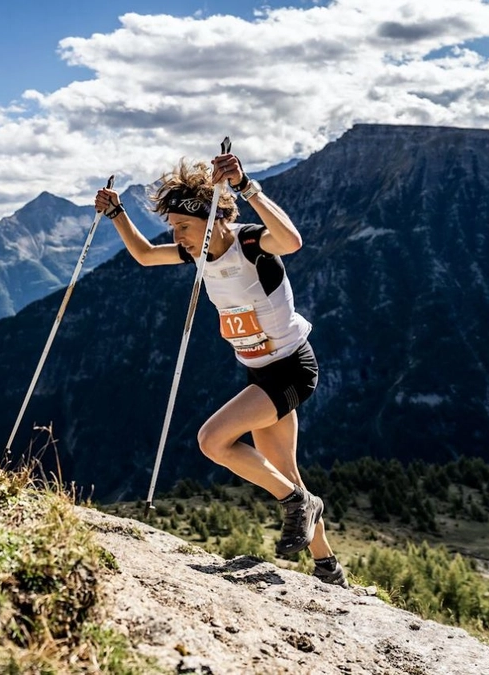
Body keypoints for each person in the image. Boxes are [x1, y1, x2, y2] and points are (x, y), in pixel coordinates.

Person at [95, 154, 347, 587]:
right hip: (259, 373)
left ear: (210, 220)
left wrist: (248, 186)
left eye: (183, 227)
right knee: (286, 471)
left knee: (213, 440)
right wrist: (116, 213)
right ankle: (328, 567)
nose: (177, 236)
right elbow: (142, 254)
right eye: (174, 227)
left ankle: (297, 503)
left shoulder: (250, 244)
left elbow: (291, 241)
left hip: (290, 369)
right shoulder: (197, 253)